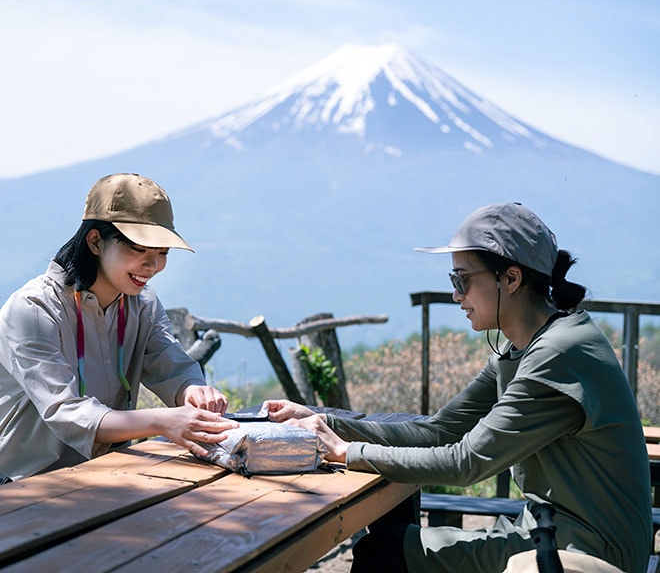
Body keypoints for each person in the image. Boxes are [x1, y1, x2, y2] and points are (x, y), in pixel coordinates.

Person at [264, 202, 652, 573]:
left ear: (511, 279)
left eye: (462, 280)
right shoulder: (525, 347)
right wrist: (326, 422)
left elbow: (466, 463)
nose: (456, 295)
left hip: (587, 554)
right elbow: (439, 430)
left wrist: (346, 452)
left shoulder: (557, 353)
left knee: (384, 553)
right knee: (388, 547)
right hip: (548, 533)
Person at [0, 173, 237, 480]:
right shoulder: (33, 310)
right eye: (139, 249)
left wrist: (193, 390)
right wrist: (163, 421)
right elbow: (66, 412)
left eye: (163, 253)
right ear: (96, 241)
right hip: (17, 491)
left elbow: (173, 367)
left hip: (104, 480)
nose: (152, 266)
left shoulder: (143, 305)